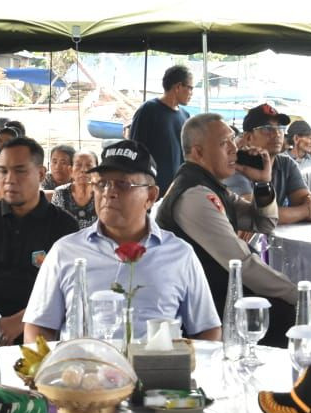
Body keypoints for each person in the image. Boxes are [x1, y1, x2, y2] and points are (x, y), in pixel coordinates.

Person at [157, 113, 311, 346]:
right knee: (294, 318)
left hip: (217, 294)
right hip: (201, 307)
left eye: (233, 140)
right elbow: (242, 263)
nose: (234, 149)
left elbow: (264, 224)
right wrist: (304, 299)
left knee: (289, 314)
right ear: (198, 152)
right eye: (224, 143)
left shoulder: (210, 186)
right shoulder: (195, 195)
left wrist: (262, 183)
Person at [24, 140, 221, 342]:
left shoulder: (179, 254)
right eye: (102, 184)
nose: (109, 192)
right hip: (85, 361)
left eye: (123, 184)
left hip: (157, 362)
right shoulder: (66, 251)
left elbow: (207, 329)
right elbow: (39, 327)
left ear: (151, 196)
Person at [0, 138, 79, 344]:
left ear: (41, 174)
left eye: (20, 171)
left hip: (42, 326)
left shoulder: (64, 226)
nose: (9, 179)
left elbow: (64, 290)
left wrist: (18, 323)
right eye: (3, 171)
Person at [233, 103, 311, 225]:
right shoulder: (237, 166)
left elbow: (307, 201)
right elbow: (254, 214)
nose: (277, 134)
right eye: (267, 129)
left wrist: (308, 206)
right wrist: (306, 211)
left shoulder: (286, 164)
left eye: (280, 128)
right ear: (248, 137)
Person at [129, 64, 195, 192]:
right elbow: (136, 149)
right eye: (190, 88)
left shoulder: (185, 116)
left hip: (176, 189)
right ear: (178, 87)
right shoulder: (148, 110)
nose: (192, 93)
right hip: (152, 188)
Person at [50, 150, 99, 228]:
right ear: (70, 170)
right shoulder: (60, 192)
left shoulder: (103, 193)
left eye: (89, 165)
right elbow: (54, 224)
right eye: (78, 165)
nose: (84, 170)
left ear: (97, 171)